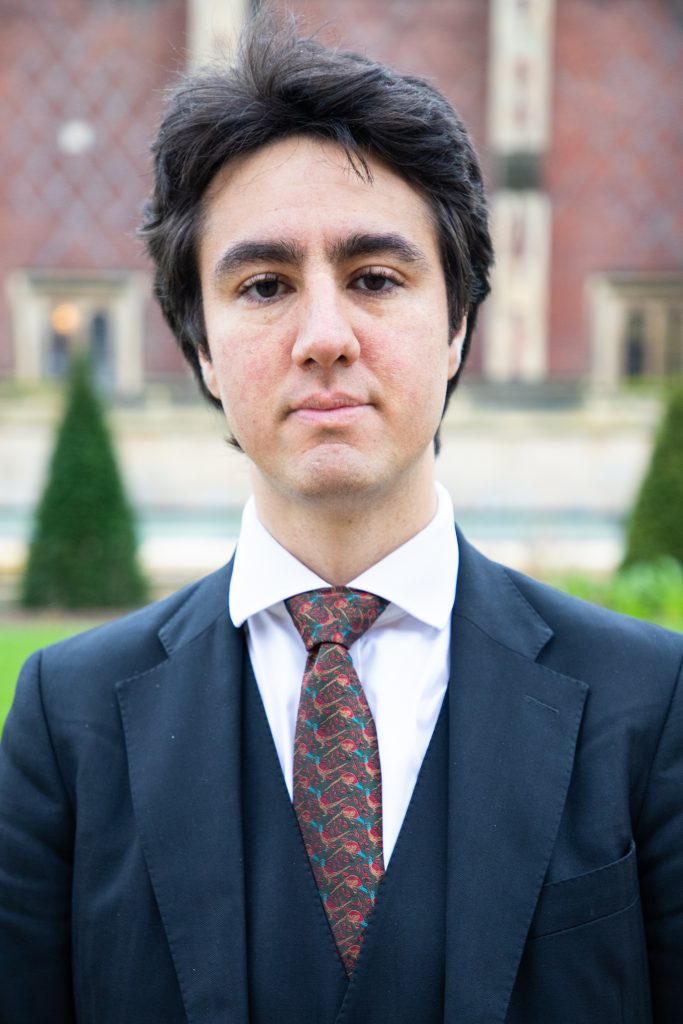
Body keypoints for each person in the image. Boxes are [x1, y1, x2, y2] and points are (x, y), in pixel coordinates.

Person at [1, 13, 681, 1024]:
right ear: (200, 348)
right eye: (264, 285)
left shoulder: (648, 701)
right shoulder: (69, 718)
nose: (323, 336)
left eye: (373, 279)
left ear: (456, 328)